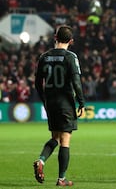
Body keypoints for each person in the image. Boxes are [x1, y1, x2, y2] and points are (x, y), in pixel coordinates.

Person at [33, 25, 85, 186]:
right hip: (65, 103)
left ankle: (41, 161)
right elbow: (76, 82)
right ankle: (61, 179)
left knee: (55, 137)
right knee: (65, 140)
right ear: (71, 41)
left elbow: (37, 83)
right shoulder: (70, 57)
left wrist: (44, 100)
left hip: (51, 102)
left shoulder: (44, 57)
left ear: (55, 37)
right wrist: (81, 102)